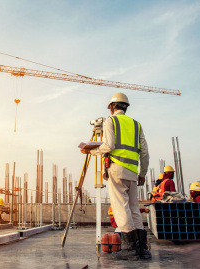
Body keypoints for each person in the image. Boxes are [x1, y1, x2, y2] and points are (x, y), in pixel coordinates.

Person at [81, 92, 150, 260]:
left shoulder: (111, 121)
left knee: (121, 208)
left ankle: (130, 250)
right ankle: (142, 249)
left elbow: (109, 145)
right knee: (134, 208)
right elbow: (145, 152)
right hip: (133, 172)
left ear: (112, 107)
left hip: (117, 170)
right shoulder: (136, 124)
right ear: (125, 107)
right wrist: (143, 173)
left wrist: (91, 150)